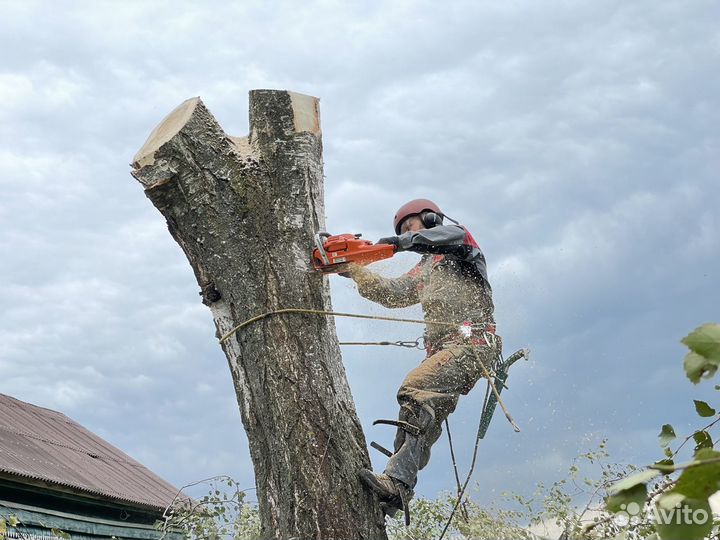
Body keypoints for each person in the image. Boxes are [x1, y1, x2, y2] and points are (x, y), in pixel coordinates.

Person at [342, 198, 500, 517]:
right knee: (419, 411)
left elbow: (440, 238)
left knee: (415, 389)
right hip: (447, 352)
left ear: (429, 218)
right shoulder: (426, 268)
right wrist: (356, 271)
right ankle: (396, 489)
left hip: (472, 344)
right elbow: (394, 293)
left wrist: (402, 242)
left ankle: (398, 480)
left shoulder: (458, 241)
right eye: (403, 229)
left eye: (410, 225)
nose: (407, 232)